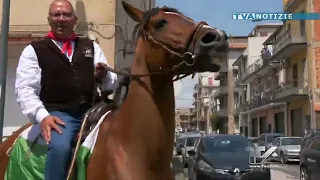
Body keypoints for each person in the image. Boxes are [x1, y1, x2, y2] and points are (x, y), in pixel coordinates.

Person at [14, 0, 118, 179]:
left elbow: (112, 83)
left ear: (74, 19)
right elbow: (24, 90)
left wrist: (104, 76)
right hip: (60, 114)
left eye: (66, 15)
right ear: (49, 19)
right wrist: (43, 116)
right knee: (61, 147)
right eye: (56, 15)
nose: (61, 19)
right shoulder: (34, 50)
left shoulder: (91, 46)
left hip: (95, 110)